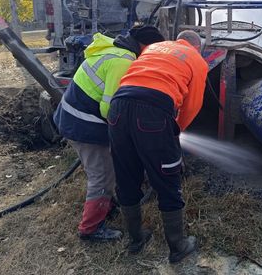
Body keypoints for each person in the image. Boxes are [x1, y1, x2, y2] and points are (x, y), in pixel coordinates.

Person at [53, 25, 165, 242]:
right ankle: (91, 229)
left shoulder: (117, 48)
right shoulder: (123, 61)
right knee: (102, 176)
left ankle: (107, 205)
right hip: (83, 125)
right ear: (145, 46)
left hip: (76, 116)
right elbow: (110, 109)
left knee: (109, 168)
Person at [108, 30, 208, 263]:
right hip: (153, 113)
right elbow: (192, 106)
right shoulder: (196, 60)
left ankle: (136, 239)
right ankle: (178, 246)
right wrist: (175, 133)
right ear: (197, 47)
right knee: (168, 179)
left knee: (126, 175)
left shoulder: (153, 48)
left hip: (118, 108)